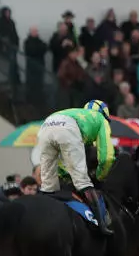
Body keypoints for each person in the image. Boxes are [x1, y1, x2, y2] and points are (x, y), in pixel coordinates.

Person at [34, 99, 116, 235]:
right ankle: (101, 225)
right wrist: (101, 175)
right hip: (68, 128)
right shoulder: (101, 119)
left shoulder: (77, 113)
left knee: (48, 186)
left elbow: (62, 159)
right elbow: (106, 156)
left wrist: (63, 175)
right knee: (83, 182)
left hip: (46, 125)